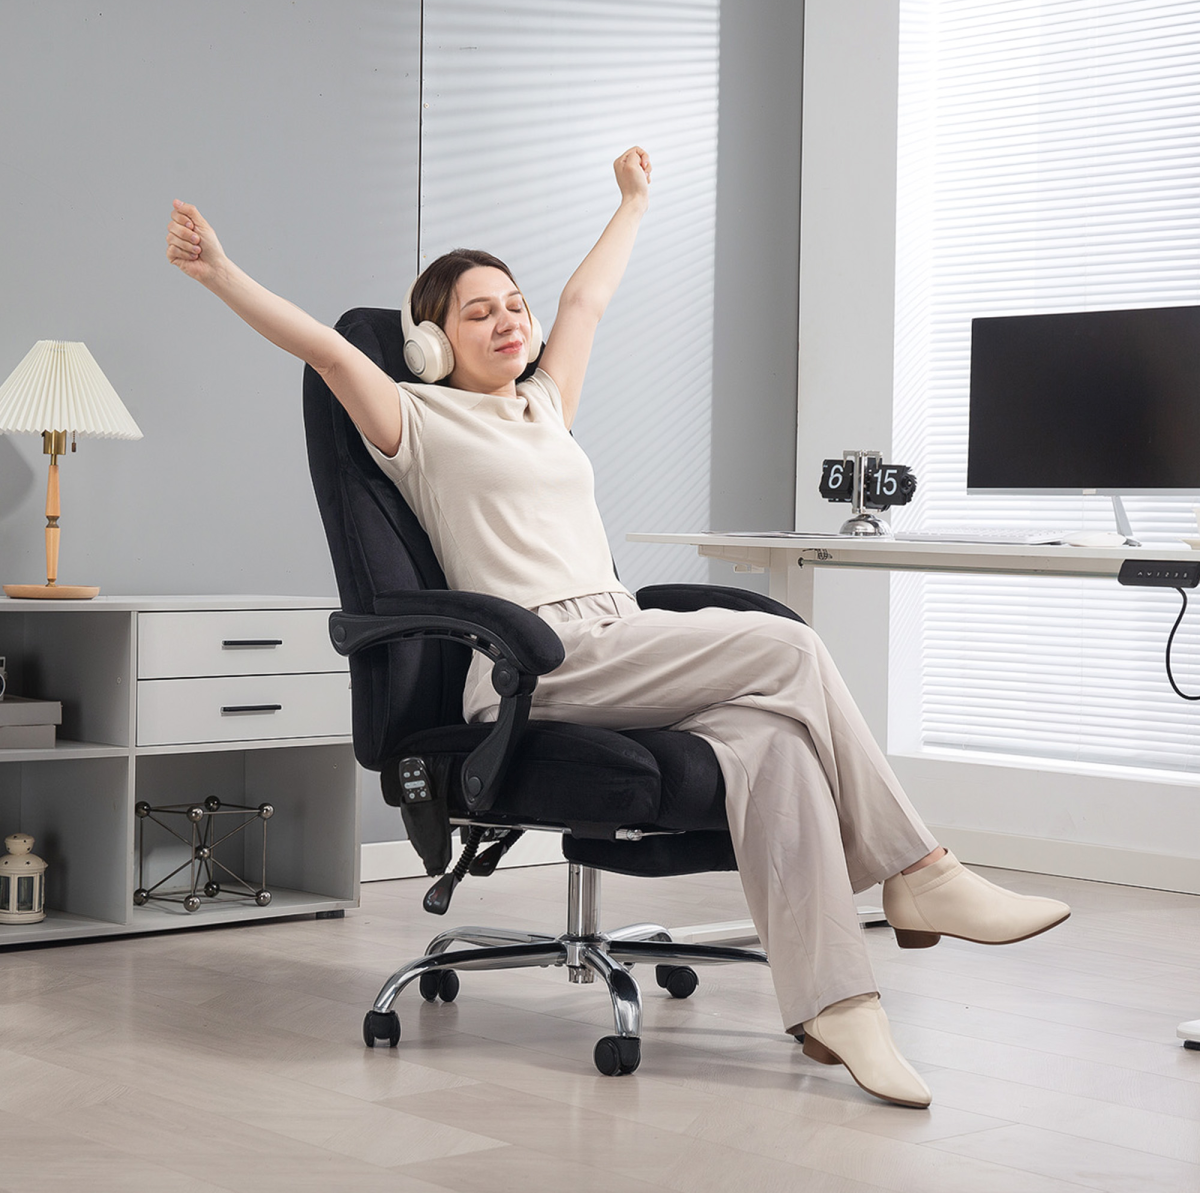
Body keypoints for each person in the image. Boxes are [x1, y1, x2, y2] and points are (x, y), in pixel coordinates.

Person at [166, 146, 1069, 1108]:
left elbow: (586, 301)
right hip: (534, 661)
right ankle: (919, 870)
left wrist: (634, 203)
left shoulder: (546, 405)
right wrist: (220, 272)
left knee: (775, 743)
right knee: (791, 645)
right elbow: (327, 349)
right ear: (432, 343)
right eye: (479, 311)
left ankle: (837, 1005)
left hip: (618, 633)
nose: (509, 319)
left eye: (513, 303)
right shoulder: (417, 424)